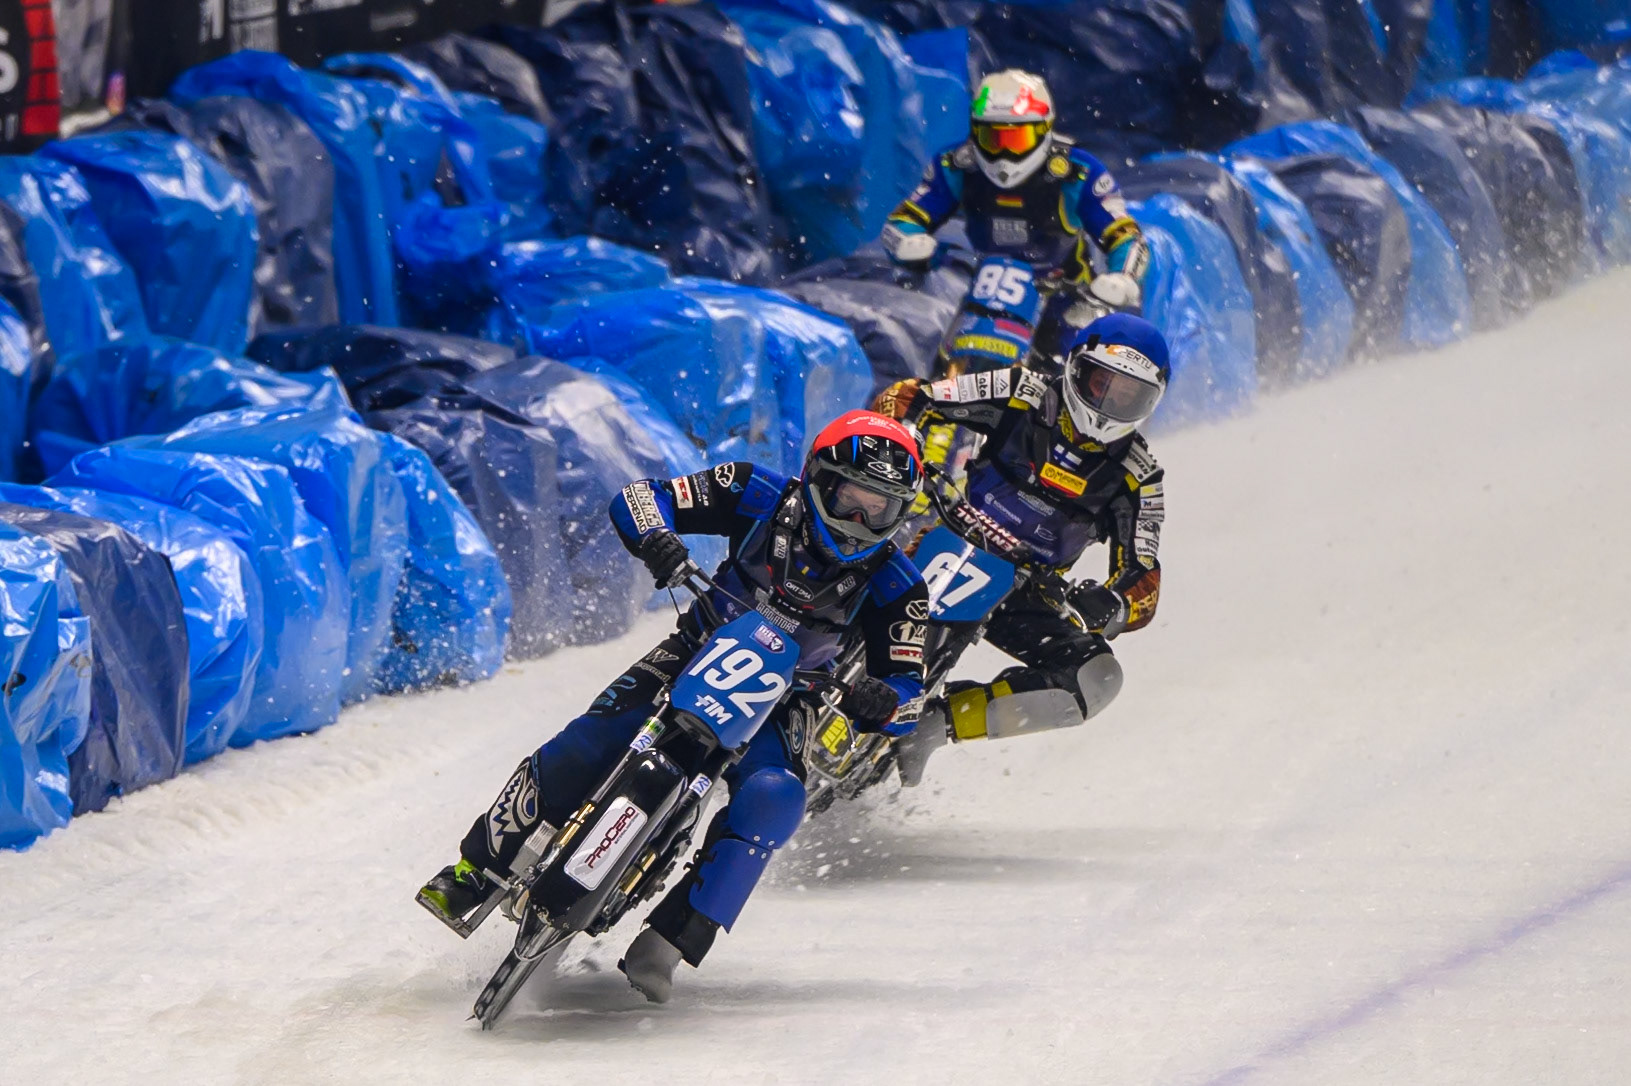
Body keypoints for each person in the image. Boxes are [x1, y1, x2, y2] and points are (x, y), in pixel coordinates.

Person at [418, 410, 930, 1003]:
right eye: (851, 501)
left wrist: (883, 698)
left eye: (882, 508)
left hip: (792, 696)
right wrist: (658, 539)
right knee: (588, 741)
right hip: (697, 645)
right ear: (819, 479)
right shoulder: (753, 491)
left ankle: (672, 939)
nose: (861, 522)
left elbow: (910, 692)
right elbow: (641, 497)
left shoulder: (900, 585)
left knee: (774, 798)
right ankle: (474, 868)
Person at [871, 313, 1169, 785]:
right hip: (945, 531)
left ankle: (937, 723)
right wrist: (897, 443)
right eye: (1102, 383)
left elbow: (1144, 577)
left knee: (1097, 678)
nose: (1110, 403)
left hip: (1028, 591)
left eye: (1129, 394)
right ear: (1075, 367)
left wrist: (1111, 603)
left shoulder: (1140, 476)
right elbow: (914, 397)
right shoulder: (1020, 389)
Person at [881, 70, 1151, 358]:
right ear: (975, 132)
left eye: (1016, 139)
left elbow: (1124, 235)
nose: (1004, 153)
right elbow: (903, 220)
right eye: (993, 138)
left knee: (1080, 364)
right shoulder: (956, 165)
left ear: (1044, 131)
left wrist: (1122, 278)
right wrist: (908, 243)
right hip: (978, 289)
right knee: (923, 352)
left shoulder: (1078, 172)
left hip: (1065, 294)